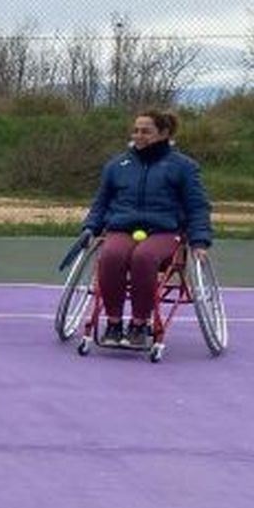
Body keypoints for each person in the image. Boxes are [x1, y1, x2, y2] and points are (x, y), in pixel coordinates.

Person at [80, 109, 212, 349]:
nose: (139, 136)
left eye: (146, 131)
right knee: (110, 256)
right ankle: (113, 323)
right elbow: (101, 203)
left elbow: (197, 206)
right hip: (121, 229)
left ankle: (139, 325)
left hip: (164, 232)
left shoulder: (183, 167)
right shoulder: (117, 165)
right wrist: (90, 227)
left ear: (164, 133)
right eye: (136, 130)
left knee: (144, 257)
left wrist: (200, 241)